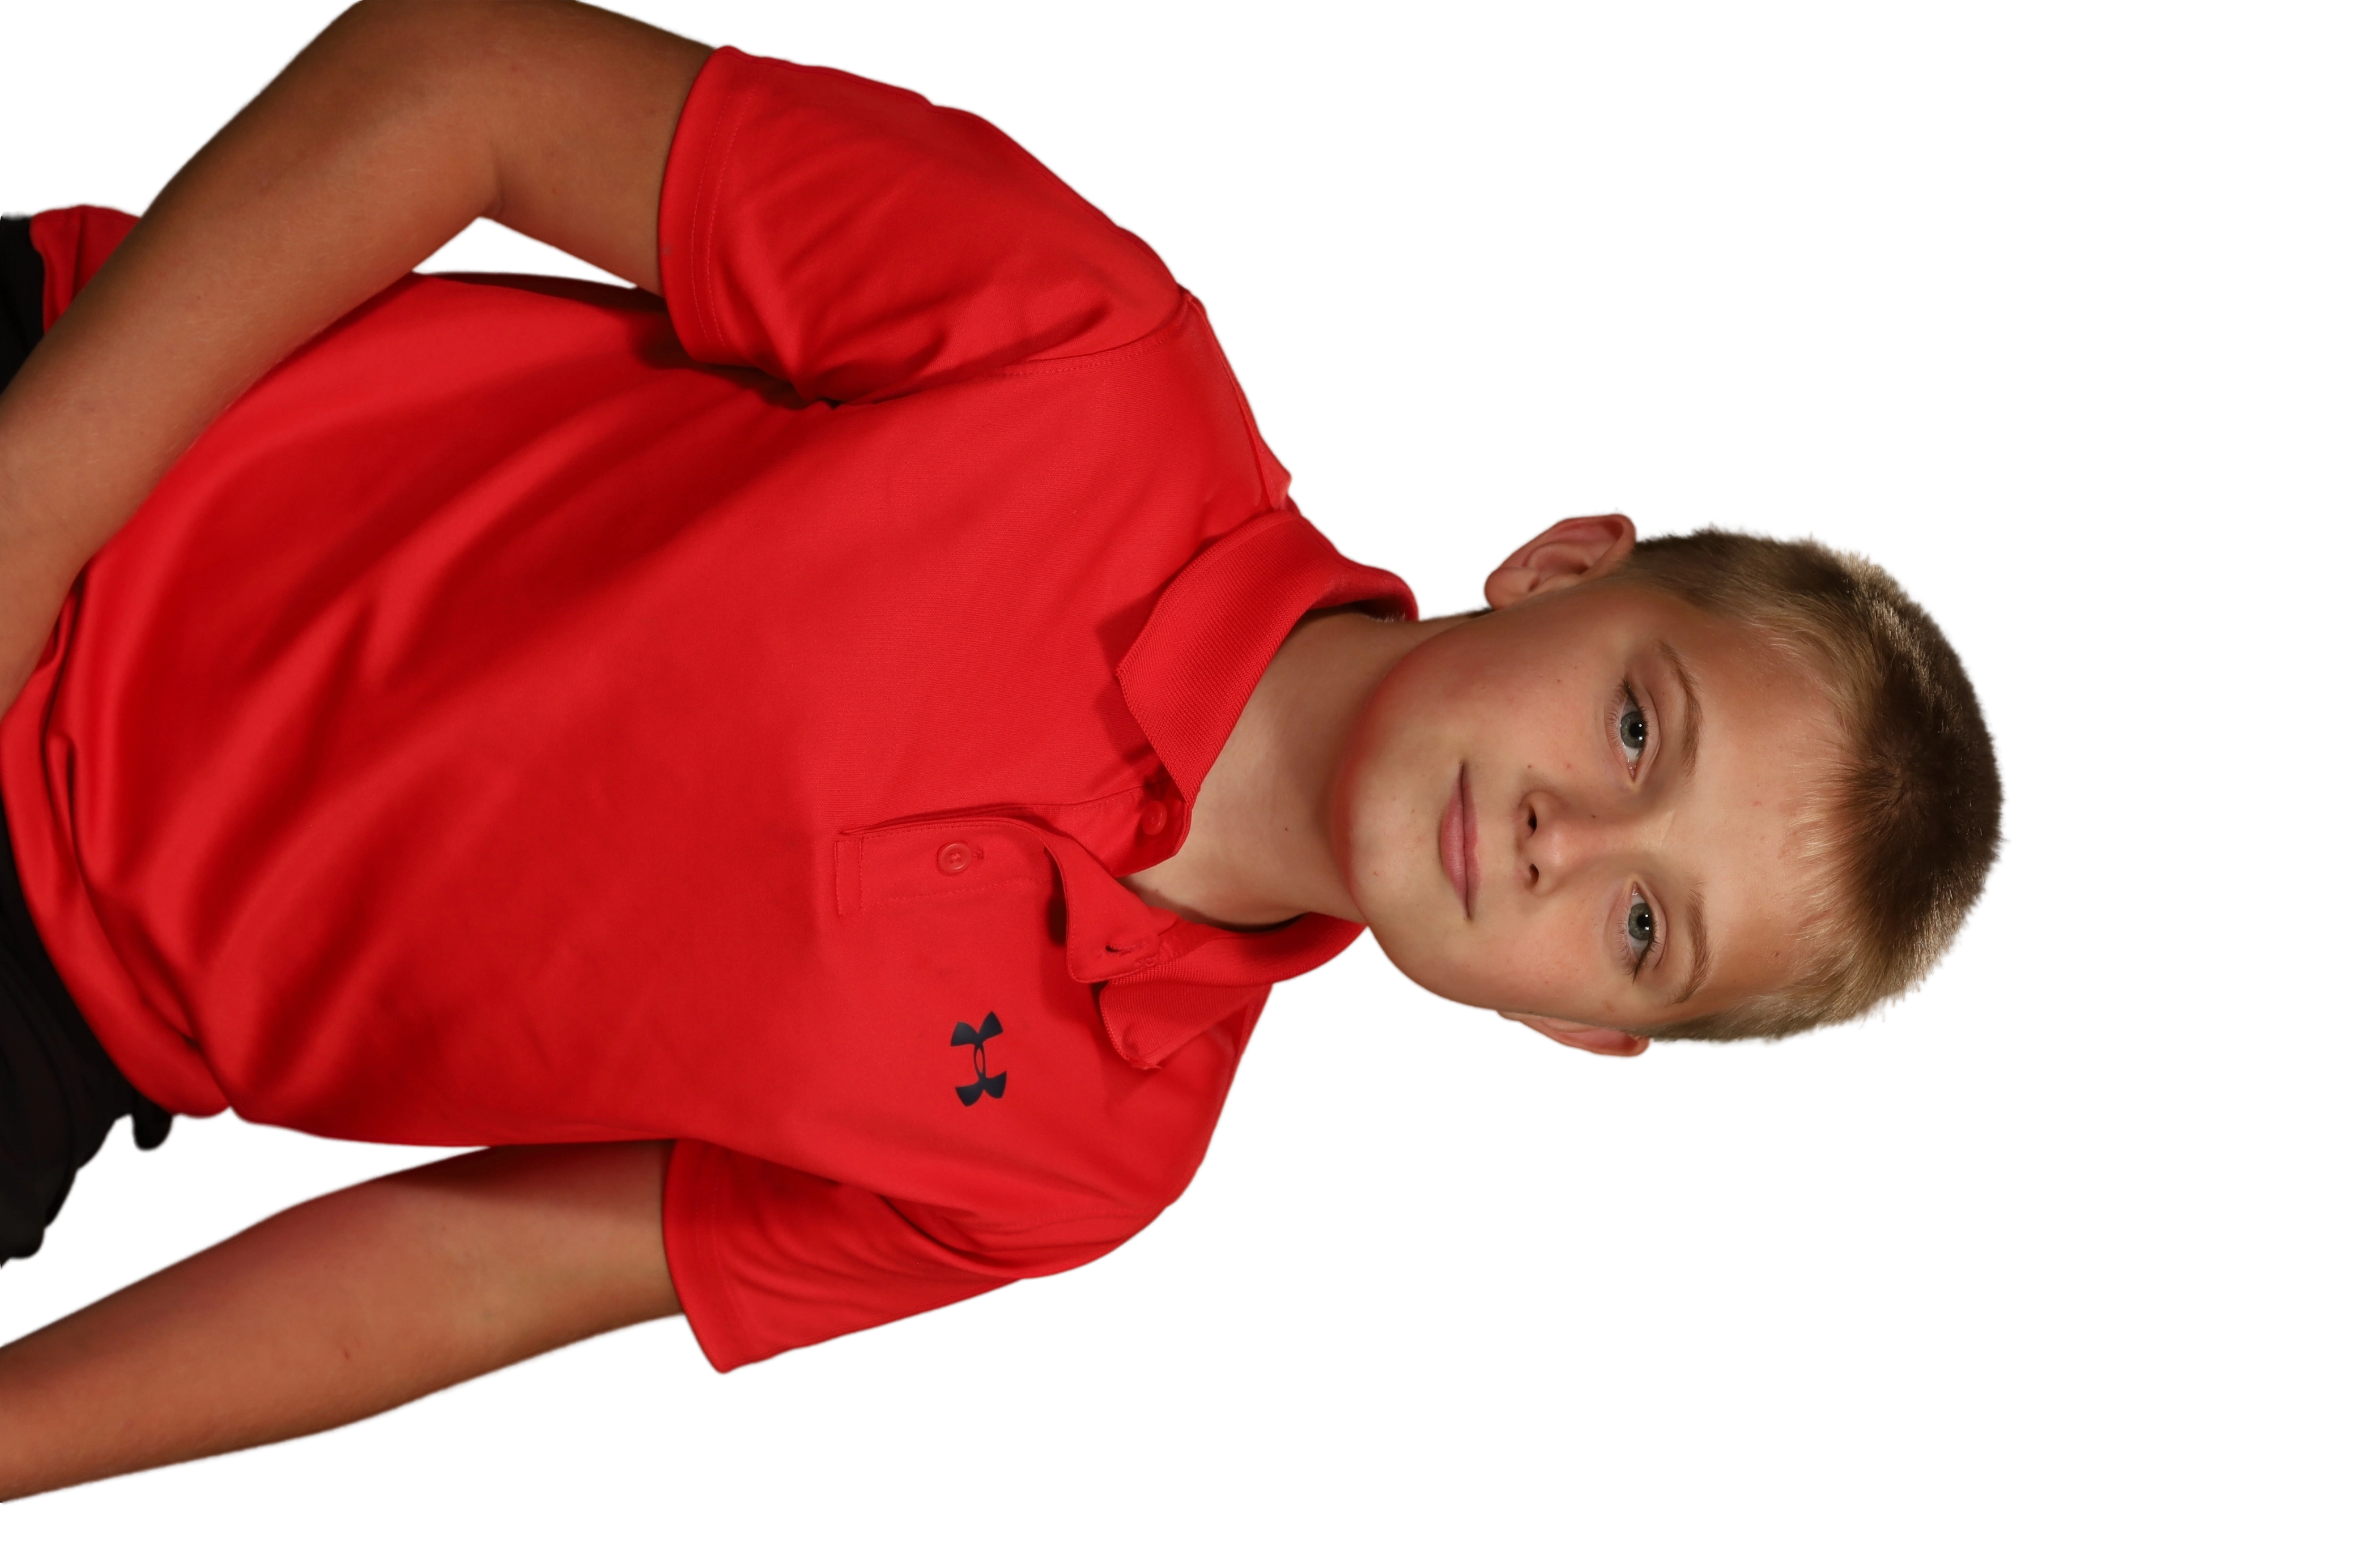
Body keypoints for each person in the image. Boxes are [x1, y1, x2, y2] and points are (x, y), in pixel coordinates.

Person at [0, 0, 2009, 1501]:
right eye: (1638, 725)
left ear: (1579, 1033)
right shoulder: (1090, 354)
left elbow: (483, 1265)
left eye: (1646, 928)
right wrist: (23, 524)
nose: (1572, 838)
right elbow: (465, 81)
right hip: (73, 469)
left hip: (61, 1008)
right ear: (1564, 566)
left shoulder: (1080, 1166)